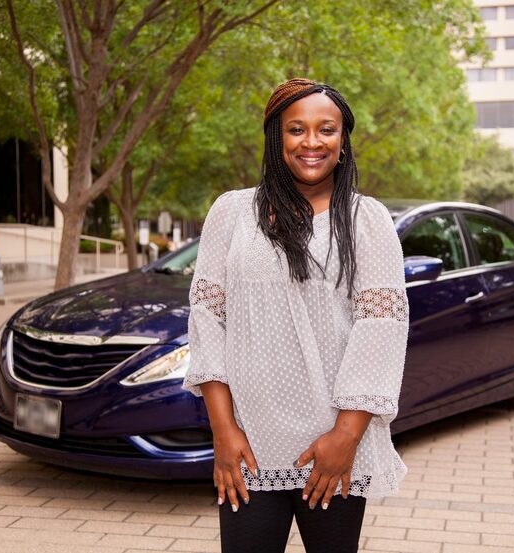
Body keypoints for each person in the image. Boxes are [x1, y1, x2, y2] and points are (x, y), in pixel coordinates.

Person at [181, 77, 409, 553]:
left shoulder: (367, 219)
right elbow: (207, 316)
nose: (311, 142)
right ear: (275, 137)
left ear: (343, 140)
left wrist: (345, 436)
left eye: (326, 129)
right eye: (296, 129)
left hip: (333, 442)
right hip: (249, 443)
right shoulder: (232, 212)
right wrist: (224, 431)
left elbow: (380, 330)